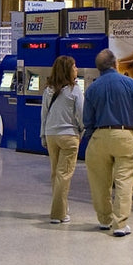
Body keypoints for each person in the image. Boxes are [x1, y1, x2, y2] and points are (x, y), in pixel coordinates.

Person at [82, 48, 133, 238]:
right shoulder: (129, 83)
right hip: (124, 134)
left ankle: (104, 220)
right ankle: (120, 223)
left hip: (99, 137)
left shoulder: (93, 88)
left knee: (99, 182)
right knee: (124, 181)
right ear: (115, 64)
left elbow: (87, 118)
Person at [40, 55, 84, 224]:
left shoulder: (48, 90)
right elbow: (81, 114)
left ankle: (61, 207)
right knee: (64, 175)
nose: (77, 69)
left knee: (55, 174)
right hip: (69, 136)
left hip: (51, 135)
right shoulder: (74, 90)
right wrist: (82, 132)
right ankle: (58, 213)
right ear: (68, 70)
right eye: (74, 67)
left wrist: (43, 135)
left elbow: (44, 115)